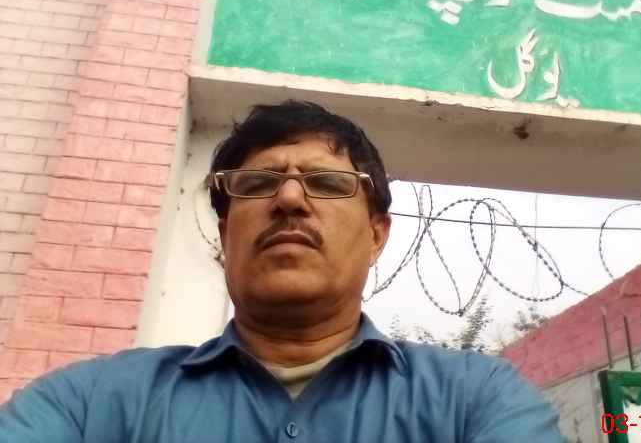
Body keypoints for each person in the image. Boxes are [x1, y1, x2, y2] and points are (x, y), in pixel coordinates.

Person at [0, 100, 562, 442]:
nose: (290, 198)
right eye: (258, 183)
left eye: (326, 183)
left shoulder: (477, 401)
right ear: (224, 234)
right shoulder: (86, 405)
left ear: (376, 234)